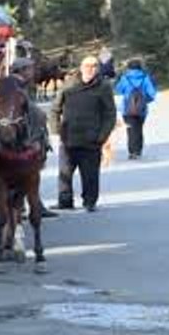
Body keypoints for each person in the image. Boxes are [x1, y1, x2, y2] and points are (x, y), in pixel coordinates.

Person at [50, 55, 117, 212]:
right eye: (87, 66)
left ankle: (90, 202)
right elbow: (54, 109)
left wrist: (102, 136)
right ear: (81, 67)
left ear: (98, 68)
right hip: (68, 138)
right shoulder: (69, 84)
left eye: (94, 66)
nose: (90, 69)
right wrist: (56, 132)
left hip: (92, 139)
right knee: (64, 174)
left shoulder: (104, 86)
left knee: (90, 175)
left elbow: (110, 114)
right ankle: (65, 201)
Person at [8, 57, 58, 218]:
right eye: (29, 69)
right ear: (21, 71)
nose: (33, 72)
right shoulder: (16, 86)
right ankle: (24, 205)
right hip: (23, 137)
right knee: (27, 172)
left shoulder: (22, 85)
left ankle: (33, 204)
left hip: (27, 133)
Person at [114, 58, 158, 159]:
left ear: (128, 67)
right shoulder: (145, 78)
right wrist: (145, 100)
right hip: (142, 110)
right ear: (140, 67)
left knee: (130, 130)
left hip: (127, 109)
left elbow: (118, 90)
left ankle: (132, 152)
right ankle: (138, 151)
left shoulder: (125, 78)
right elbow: (152, 94)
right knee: (139, 129)